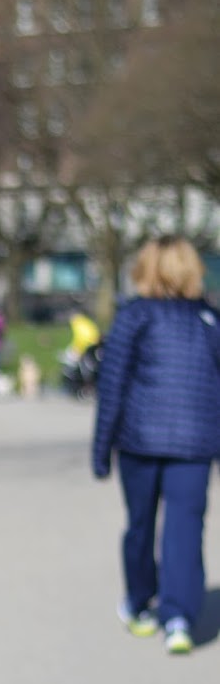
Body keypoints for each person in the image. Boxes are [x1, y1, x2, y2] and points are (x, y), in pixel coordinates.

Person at [92, 236, 220, 655]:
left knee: (141, 525)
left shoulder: (134, 316)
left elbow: (112, 386)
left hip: (139, 442)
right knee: (185, 527)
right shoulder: (209, 319)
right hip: (195, 445)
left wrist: (101, 449)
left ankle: (139, 602)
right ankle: (179, 616)